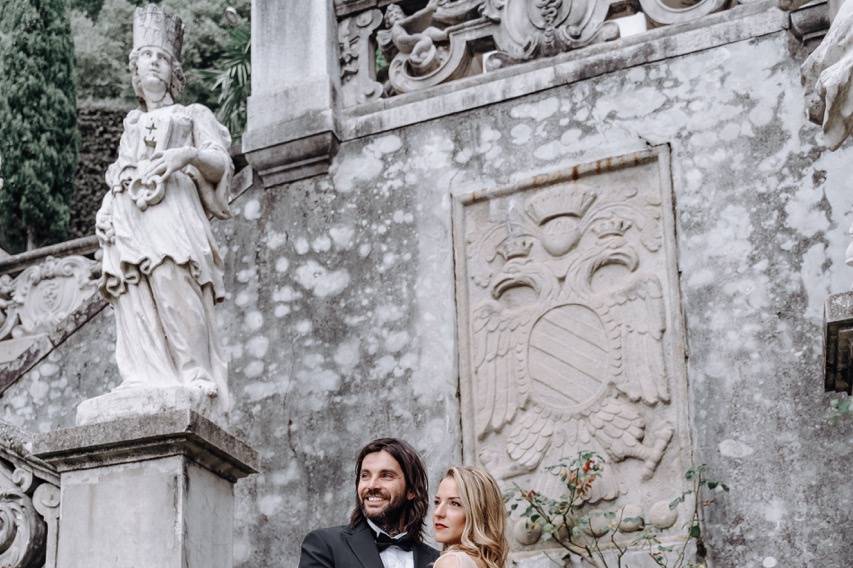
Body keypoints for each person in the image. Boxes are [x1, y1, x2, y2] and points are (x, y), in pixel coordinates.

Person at [94, 4, 232, 415]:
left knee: (176, 282)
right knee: (134, 293)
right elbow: (121, 171)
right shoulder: (131, 124)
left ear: (173, 71)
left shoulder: (192, 115)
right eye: (144, 58)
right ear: (135, 73)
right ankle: (143, 374)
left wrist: (184, 156)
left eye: (160, 57)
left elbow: (220, 162)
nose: (152, 64)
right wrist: (105, 208)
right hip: (128, 218)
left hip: (173, 209)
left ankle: (194, 373)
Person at [299, 438, 440, 568]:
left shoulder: (438, 560)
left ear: (411, 490)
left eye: (386, 475)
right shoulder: (324, 545)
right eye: (365, 476)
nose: (372, 485)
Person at [432, 466, 510, 568]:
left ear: (478, 513)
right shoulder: (482, 563)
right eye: (437, 502)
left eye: (455, 503)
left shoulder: (452, 562)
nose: (438, 512)